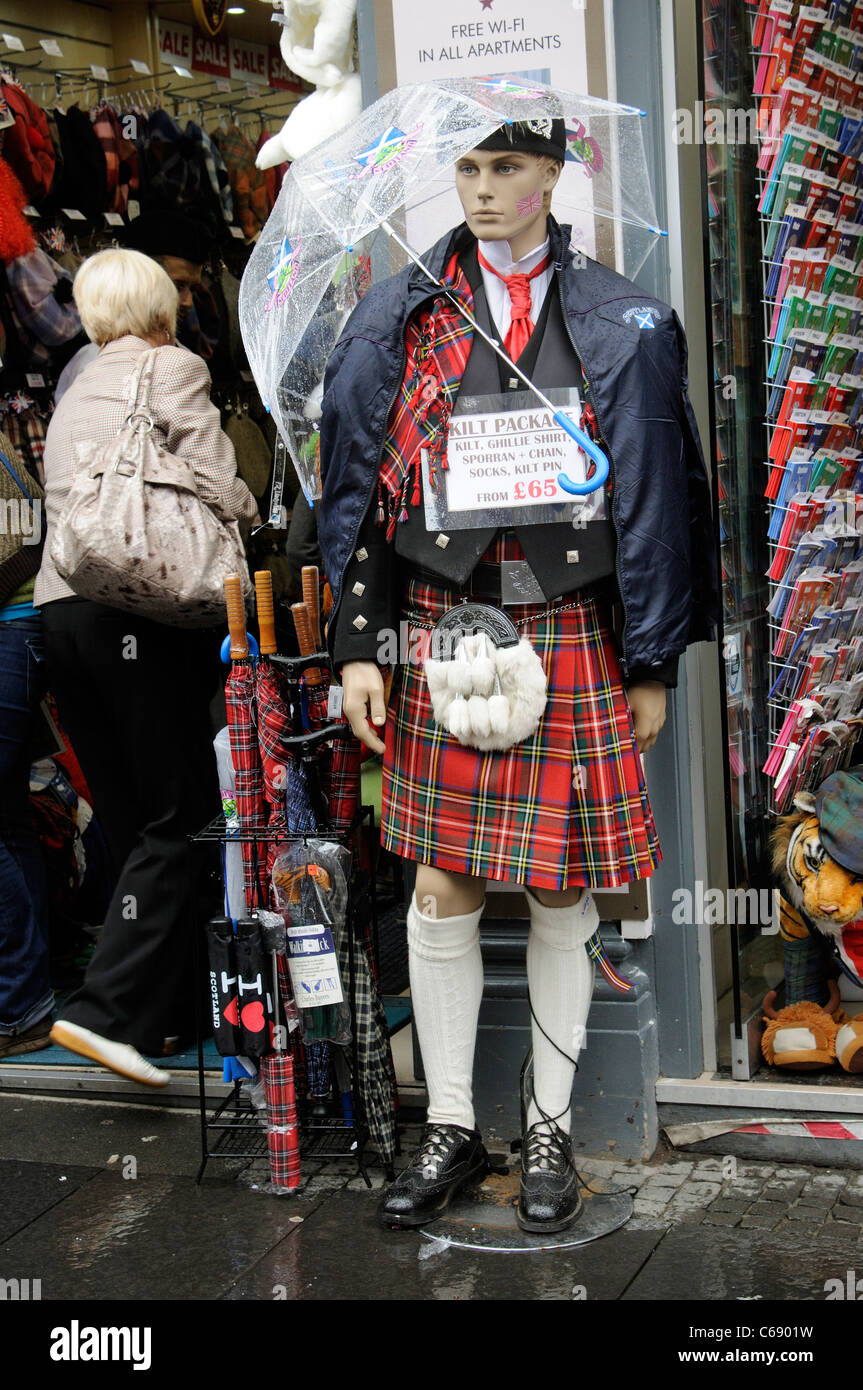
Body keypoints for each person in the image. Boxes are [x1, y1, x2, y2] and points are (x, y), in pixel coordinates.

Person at [317, 120, 719, 1232]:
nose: (483, 188)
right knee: (440, 888)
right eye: (467, 169)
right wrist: (360, 645)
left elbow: (656, 495)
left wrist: (652, 661)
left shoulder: (618, 318)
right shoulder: (399, 315)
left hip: (572, 624)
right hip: (441, 620)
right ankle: (449, 1126)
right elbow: (354, 484)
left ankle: (546, 1128)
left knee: (556, 885)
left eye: (505, 167)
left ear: (551, 175)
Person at [36, 248, 258, 1086]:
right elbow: (212, 477)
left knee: (132, 817)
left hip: (66, 615)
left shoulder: (72, 386)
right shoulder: (173, 366)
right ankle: (104, 1012)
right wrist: (251, 509)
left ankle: (156, 1020)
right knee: (183, 811)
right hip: (142, 612)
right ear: (162, 302)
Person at [0, 426, 53, 1058]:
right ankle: (26, 996)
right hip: (20, 629)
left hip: (11, 630)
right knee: (9, 818)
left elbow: (25, 531)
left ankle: (20, 1002)